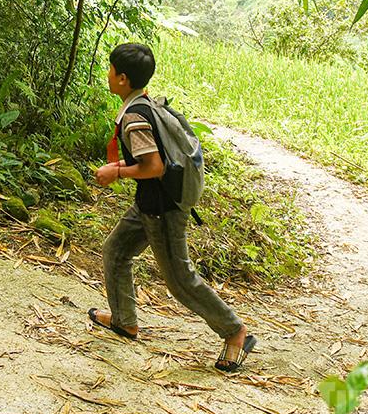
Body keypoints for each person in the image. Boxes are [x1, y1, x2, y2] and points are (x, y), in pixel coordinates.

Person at [87, 42, 256, 373]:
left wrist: (116, 171)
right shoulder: (144, 104)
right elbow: (153, 158)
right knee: (116, 251)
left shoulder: (135, 117)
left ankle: (235, 332)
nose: (107, 75)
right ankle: (124, 321)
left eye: (110, 70)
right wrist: (123, 165)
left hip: (163, 209)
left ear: (122, 79)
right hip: (149, 203)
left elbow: (154, 167)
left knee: (180, 281)